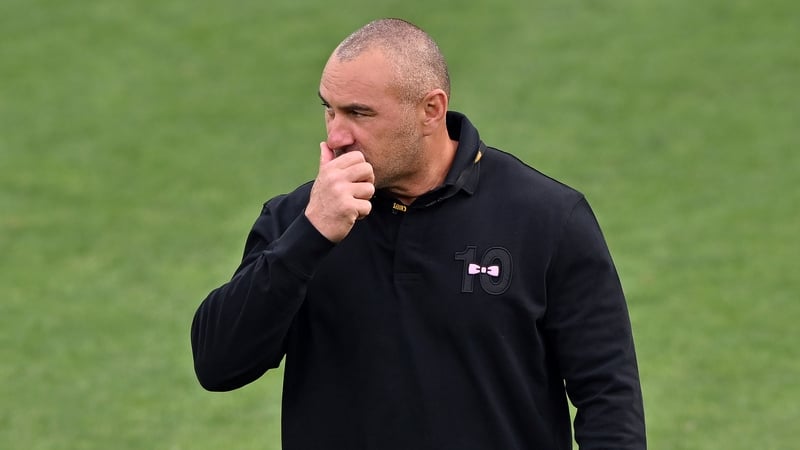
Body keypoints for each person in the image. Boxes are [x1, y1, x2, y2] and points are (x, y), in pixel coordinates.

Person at [191, 18, 646, 450]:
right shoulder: (297, 220)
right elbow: (218, 364)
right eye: (329, 110)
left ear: (431, 109)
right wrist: (311, 236)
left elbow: (608, 394)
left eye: (359, 113)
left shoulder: (547, 218)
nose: (337, 135)